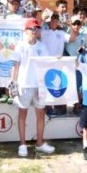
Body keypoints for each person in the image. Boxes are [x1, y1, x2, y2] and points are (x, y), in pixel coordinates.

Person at [11, 18, 55, 157]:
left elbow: (47, 65)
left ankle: (40, 143)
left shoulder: (42, 46)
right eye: (32, 29)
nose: (34, 31)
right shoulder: (20, 46)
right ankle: (22, 144)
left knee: (40, 115)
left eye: (36, 28)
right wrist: (13, 83)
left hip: (39, 85)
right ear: (26, 30)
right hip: (24, 85)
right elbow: (15, 66)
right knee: (22, 114)